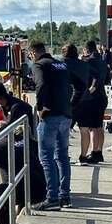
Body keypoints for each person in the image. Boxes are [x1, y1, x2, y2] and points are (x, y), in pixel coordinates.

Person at [29, 41, 72, 210]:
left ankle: (52, 197)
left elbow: (41, 85)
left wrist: (41, 107)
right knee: (62, 156)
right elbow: (76, 85)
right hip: (66, 114)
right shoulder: (61, 64)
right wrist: (70, 104)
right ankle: (65, 196)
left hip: (50, 116)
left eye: (30, 54)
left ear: (33, 53)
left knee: (46, 156)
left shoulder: (39, 65)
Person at [78, 40, 108, 164]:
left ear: (86, 50)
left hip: (93, 98)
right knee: (99, 126)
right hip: (102, 97)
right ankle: (99, 151)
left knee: (94, 127)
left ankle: (95, 153)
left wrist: (90, 90)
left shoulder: (89, 61)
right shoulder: (102, 61)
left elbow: (94, 78)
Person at [62, 44, 89, 132]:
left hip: (68, 100)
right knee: (85, 130)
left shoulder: (63, 64)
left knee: (63, 131)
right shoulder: (84, 64)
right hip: (85, 99)